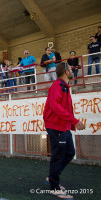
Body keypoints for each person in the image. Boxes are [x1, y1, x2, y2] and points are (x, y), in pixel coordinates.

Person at [43, 63, 85, 199]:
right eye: (70, 69)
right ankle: (55, 187)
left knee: (70, 153)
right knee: (58, 156)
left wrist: (71, 123)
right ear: (66, 72)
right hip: (56, 126)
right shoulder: (57, 86)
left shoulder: (64, 86)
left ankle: (52, 177)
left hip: (63, 126)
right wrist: (75, 121)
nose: (72, 70)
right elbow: (55, 107)